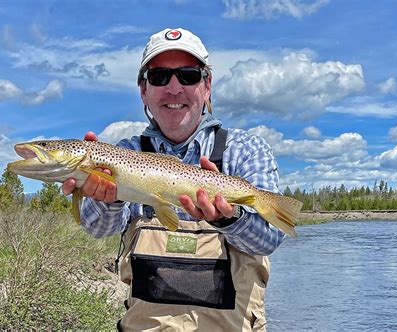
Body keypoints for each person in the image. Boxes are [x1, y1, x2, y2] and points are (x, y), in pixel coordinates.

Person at [63, 28, 285, 331]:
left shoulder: (245, 150)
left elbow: (270, 239)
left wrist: (230, 220)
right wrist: (110, 199)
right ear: (144, 90)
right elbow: (98, 228)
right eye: (159, 77)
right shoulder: (121, 153)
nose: (174, 88)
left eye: (189, 75)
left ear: (207, 87)